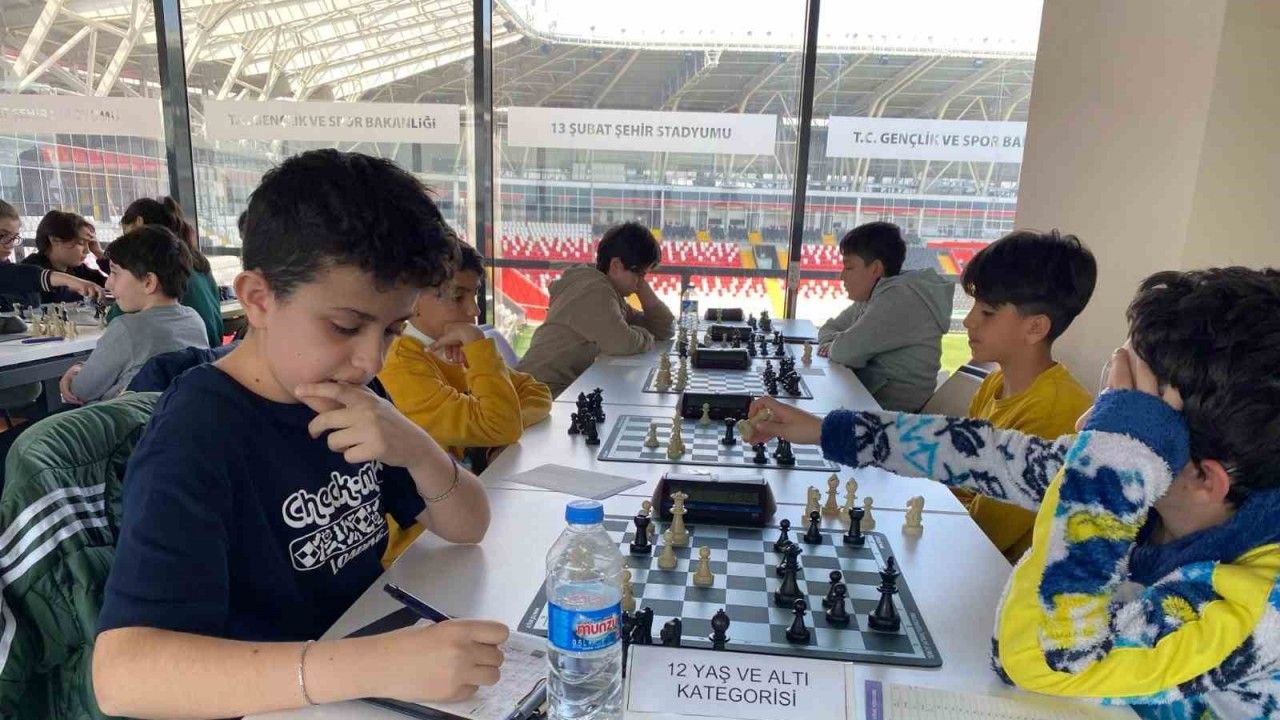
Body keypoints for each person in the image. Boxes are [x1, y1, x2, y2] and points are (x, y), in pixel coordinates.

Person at [745, 267, 1280, 718]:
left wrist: (1113, 466)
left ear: (1207, 479)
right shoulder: (1158, 489)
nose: (1087, 425)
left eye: (1126, 422)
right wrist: (826, 431)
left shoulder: (1260, 607)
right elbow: (984, 454)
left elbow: (1038, 659)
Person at [93, 150, 507, 719]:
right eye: (345, 326)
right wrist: (372, 665)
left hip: (355, 677)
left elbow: (469, 526)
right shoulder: (197, 432)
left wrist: (414, 446)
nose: (371, 359)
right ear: (258, 299)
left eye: (393, 330)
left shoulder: (354, 396)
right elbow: (121, 675)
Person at [955, 229, 1097, 561]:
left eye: (987, 312)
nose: (968, 321)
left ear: (1035, 327)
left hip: (1007, 578)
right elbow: (961, 475)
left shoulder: (1053, 413)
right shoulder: (994, 384)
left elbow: (983, 533)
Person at [379, 239, 551, 454]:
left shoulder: (457, 348)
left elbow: (537, 392)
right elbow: (501, 425)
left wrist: (506, 423)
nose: (475, 310)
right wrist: (501, 424)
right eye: (458, 297)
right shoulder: (399, 366)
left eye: (475, 294)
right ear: (412, 300)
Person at [517, 221, 674, 396]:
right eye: (641, 274)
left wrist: (641, 288)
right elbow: (621, 342)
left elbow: (664, 329)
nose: (642, 282)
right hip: (539, 392)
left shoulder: (609, 291)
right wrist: (644, 335)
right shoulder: (593, 290)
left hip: (560, 388)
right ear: (616, 266)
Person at [57, 226, 208, 405]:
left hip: (124, 420)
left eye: (114, 273)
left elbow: (81, 390)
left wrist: (76, 370)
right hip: (175, 415)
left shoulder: (127, 328)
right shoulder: (194, 319)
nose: (108, 283)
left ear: (149, 282)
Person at [816, 222, 953, 412]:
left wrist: (835, 344)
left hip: (892, 416)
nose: (841, 277)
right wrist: (836, 342)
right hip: (868, 403)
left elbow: (844, 352)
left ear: (875, 269)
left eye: (849, 268)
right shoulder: (874, 294)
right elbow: (828, 329)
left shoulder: (899, 298)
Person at [115, 196, 225, 347]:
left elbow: (116, 317)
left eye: (126, 235)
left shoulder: (158, 266)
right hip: (211, 351)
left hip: (184, 355)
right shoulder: (196, 260)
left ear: (139, 223)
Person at [20, 210, 107, 304]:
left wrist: (99, 253)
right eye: (81, 243)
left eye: (89, 244)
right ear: (54, 240)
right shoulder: (30, 270)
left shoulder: (77, 269)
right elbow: (58, 295)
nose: (87, 251)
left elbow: (112, 285)